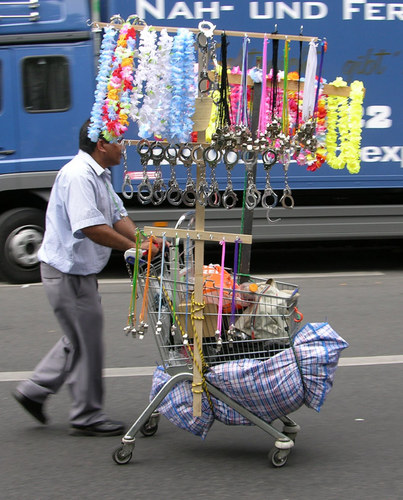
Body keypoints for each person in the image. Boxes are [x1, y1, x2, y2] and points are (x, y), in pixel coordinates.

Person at [13, 119, 161, 436]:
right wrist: (132, 249)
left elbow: (118, 216)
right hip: (66, 272)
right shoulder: (79, 176)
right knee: (86, 342)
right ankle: (86, 415)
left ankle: (33, 390)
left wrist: (142, 242)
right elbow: (91, 228)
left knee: (79, 337)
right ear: (101, 145)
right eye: (119, 140)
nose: (124, 146)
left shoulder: (101, 175)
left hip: (79, 270)